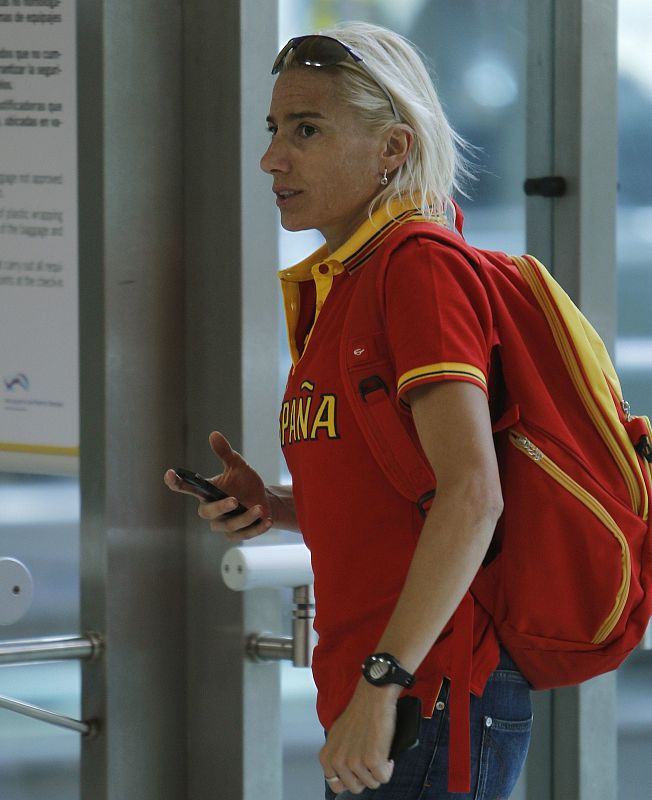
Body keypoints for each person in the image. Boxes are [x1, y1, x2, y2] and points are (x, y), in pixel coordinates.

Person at [165, 21, 532, 799]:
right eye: (273, 128)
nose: (272, 157)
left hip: (422, 695)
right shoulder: (349, 281)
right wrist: (276, 506)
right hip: (383, 691)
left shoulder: (418, 269)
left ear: (393, 149)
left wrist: (382, 685)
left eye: (306, 130)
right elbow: (403, 501)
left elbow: (474, 495)